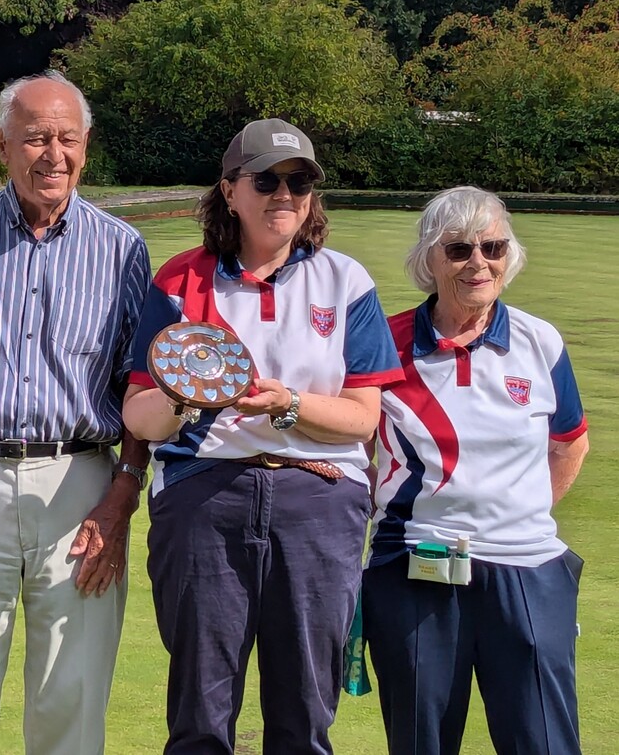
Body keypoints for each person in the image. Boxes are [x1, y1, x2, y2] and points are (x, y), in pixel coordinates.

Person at [122, 118, 404, 754]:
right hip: (203, 494)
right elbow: (139, 416)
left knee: (305, 710)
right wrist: (185, 397)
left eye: (299, 182)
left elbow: (364, 418)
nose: (285, 195)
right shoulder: (181, 280)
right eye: (267, 180)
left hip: (319, 494)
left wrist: (288, 406)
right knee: (199, 708)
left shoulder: (344, 280)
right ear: (229, 190)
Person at [0, 71, 152, 755]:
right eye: (36, 137)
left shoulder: (122, 248)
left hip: (81, 483)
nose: (54, 154)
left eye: (67, 138)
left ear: (86, 145)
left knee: (70, 689)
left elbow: (142, 387)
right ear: (3, 145)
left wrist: (123, 497)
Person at [362, 186, 590, 755]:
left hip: (529, 569)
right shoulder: (385, 343)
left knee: (544, 741)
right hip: (415, 565)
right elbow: (355, 449)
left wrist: (512, 513)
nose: (478, 262)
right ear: (429, 259)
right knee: (422, 742)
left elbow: (569, 444)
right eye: (459, 248)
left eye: (493, 246)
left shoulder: (540, 341)